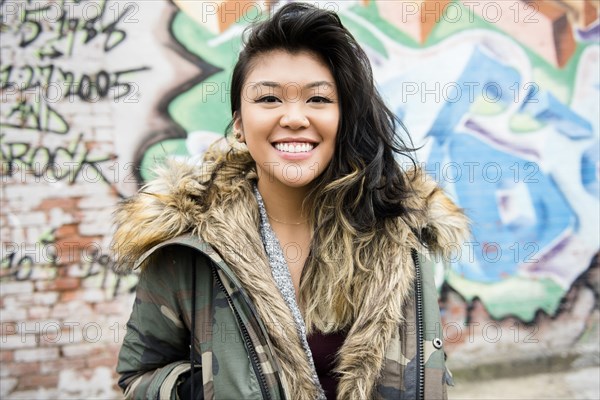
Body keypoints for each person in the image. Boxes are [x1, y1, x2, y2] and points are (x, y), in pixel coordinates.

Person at [113, 3, 469, 399]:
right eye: (269, 99)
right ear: (239, 125)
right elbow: (140, 377)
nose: (295, 118)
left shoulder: (399, 230)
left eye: (318, 99)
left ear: (343, 117)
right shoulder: (189, 245)